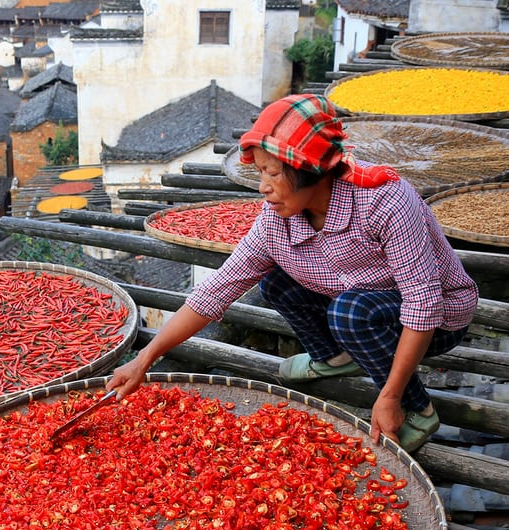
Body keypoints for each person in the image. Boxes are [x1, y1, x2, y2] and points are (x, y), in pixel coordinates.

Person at [107, 94, 478, 452]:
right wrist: (146, 358)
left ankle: (419, 410)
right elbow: (217, 290)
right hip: (359, 301)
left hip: (439, 319)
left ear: (311, 171)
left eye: (273, 173)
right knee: (276, 280)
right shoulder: (275, 221)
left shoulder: (385, 200)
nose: (263, 187)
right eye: (261, 173)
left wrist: (390, 396)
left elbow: (423, 303)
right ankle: (335, 357)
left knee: (350, 313)